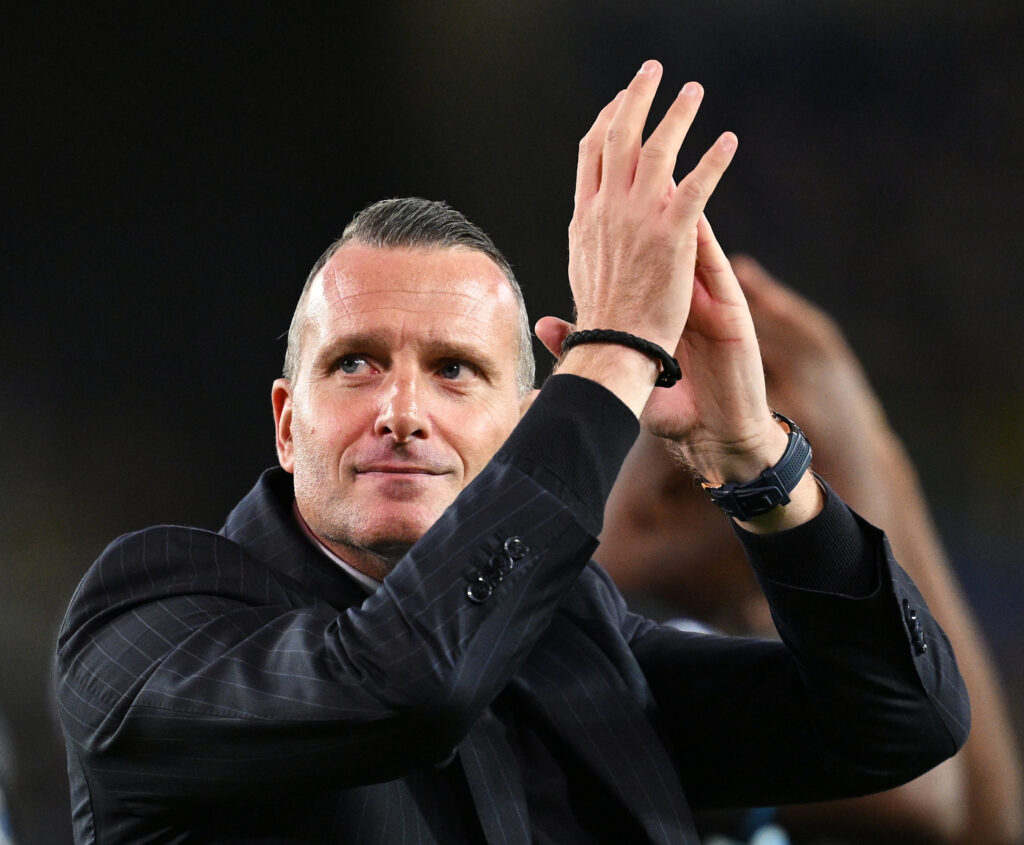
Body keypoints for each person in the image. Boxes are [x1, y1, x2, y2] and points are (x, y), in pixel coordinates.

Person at [55, 62, 969, 843]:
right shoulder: (150, 616)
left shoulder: (573, 634)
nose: (402, 411)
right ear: (288, 425)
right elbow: (405, 685)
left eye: (454, 370)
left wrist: (754, 461)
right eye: (355, 363)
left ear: (520, 433)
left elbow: (899, 718)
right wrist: (614, 351)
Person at [598, 258, 1022, 844]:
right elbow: (919, 792)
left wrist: (877, 454)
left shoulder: (758, 657)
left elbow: (988, 826)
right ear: (664, 504)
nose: (806, 509)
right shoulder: (604, 654)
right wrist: (868, 457)